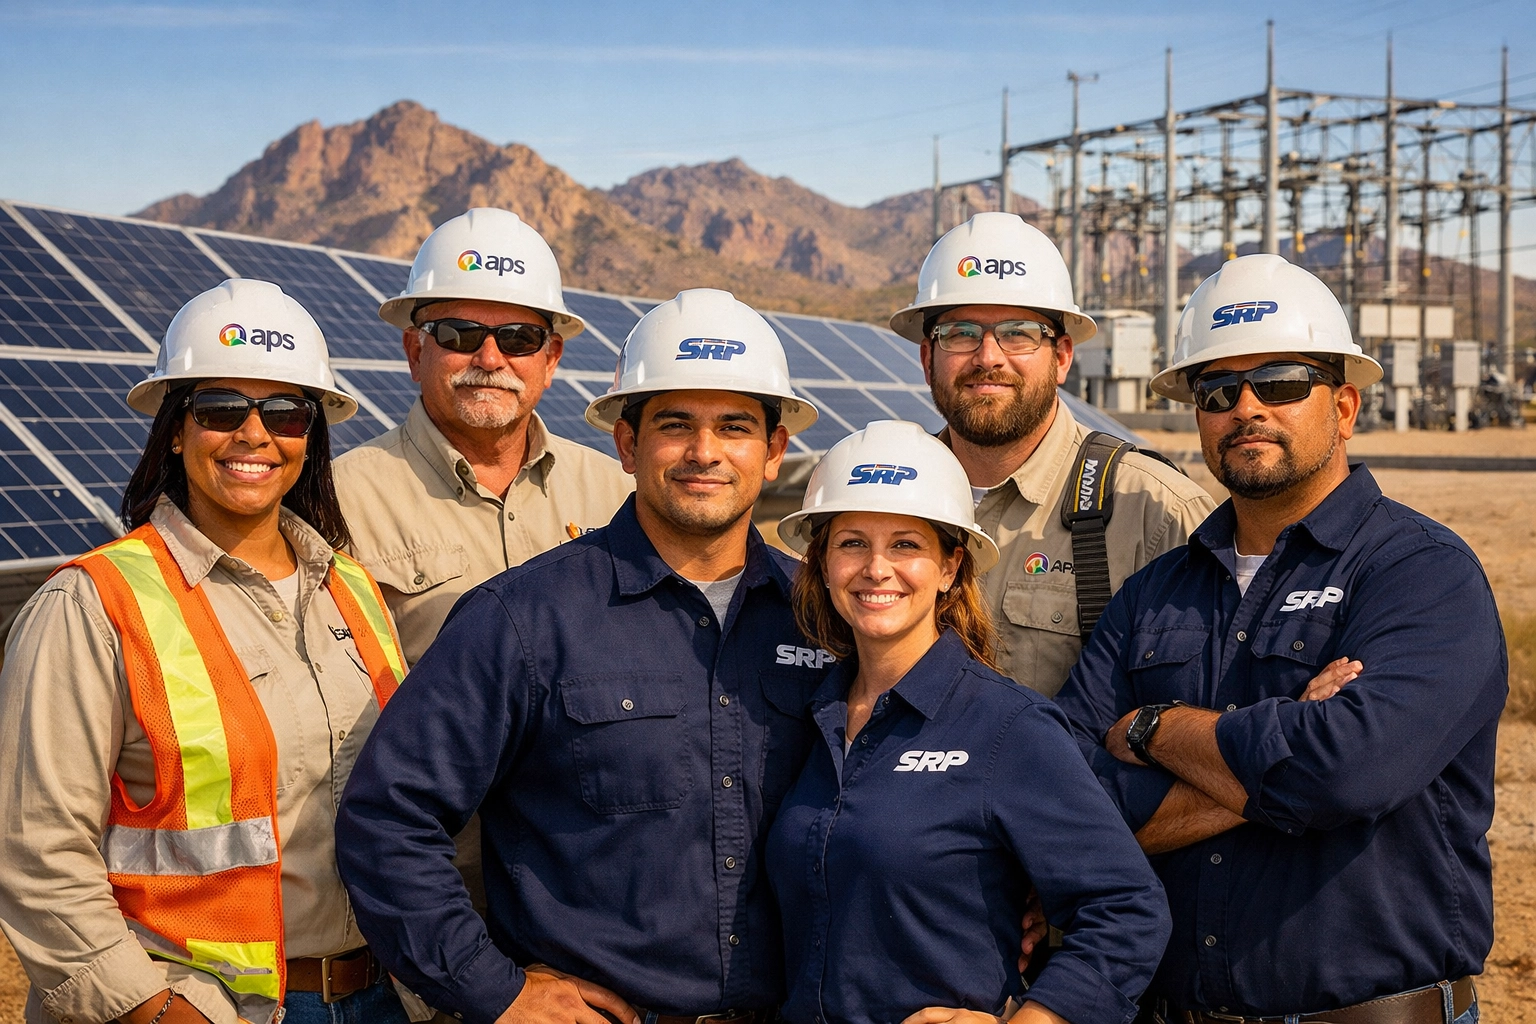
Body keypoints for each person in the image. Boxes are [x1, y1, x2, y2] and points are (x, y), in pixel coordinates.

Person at [335, 289, 831, 1024]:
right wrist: (492, 990)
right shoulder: (523, 619)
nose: (704, 452)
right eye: (674, 424)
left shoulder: (825, 621)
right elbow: (387, 820)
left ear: (774, 450)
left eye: (734, 426)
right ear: (625, 445)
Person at [1054, 254, 1503, 1023]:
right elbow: (1064, 800)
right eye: (1219, 389)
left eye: (1283, 383)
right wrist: (1285, 749)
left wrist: (1152, 728)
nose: (1247, 408)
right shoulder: (1156, 591)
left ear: (1346, 406)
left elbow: (1347, 773)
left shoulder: (1421, 575)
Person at [0, 280, 413, 1024]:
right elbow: (38, 855)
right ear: (177, 430)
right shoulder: (93, 604)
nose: (255, 433)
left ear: (311, 436)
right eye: (223, 408)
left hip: (381, 997)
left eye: (286, 412)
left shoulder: (350, 588)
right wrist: (152, 1010)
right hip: (201, 1007)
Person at [767, 420, 1170, 1024]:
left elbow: (1127, 908)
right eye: (851, 542)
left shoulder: (1009, 728)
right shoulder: (807, 719)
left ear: (951, 567)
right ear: (822, 564)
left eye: (906, 545)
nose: (877, 569)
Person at [333, 207, 633, 919]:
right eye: (459, 334)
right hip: (430, 899)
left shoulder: (619, 493)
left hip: (589, 902)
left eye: (521, 337)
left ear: (552, 360)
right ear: (414, 350)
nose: (490, 358)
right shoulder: (333, 502)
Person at [890, 212, 1215, 698]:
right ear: (926, 357)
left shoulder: (1154, 513)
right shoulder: (881, 498)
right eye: (960, 333)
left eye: (1018, 332)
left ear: (1062, 356)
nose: (988, 357)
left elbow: (1207, 720)